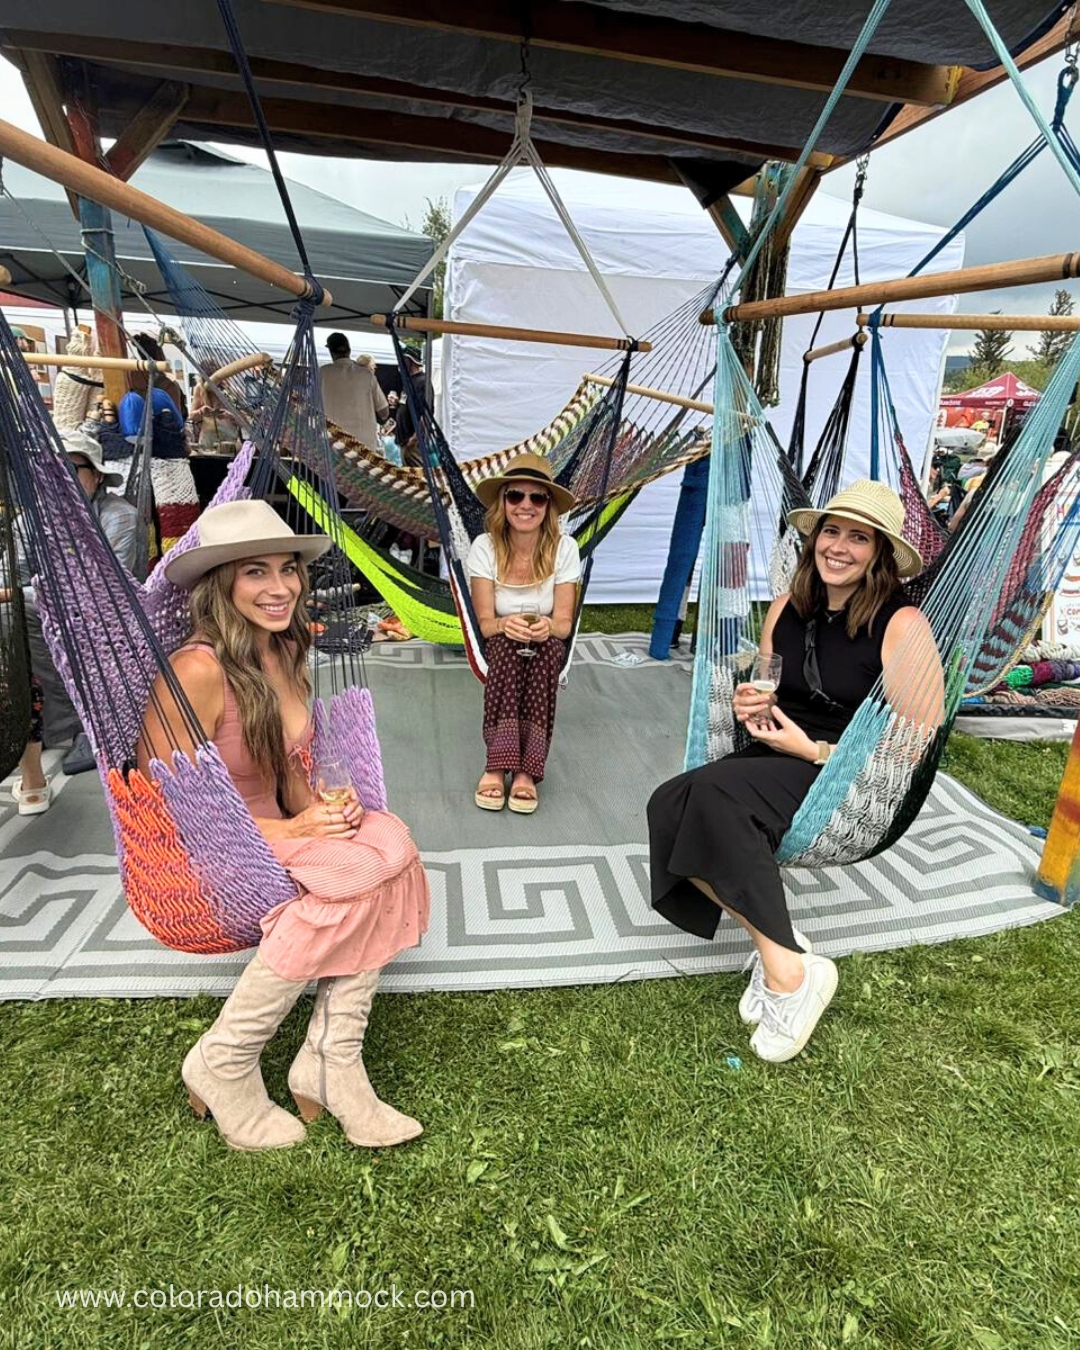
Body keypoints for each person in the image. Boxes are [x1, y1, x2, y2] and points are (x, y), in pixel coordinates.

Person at [139, 499, 430, 1152]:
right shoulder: (197, 670)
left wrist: (318, 807)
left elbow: (282, 762)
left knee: (395, 846)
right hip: (213, 848)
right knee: (353, 885)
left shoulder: (282, 646)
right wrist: (294, 833)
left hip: (277, 831)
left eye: (288, 569)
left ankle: (332, 1060)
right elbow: (166, 807)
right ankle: (225, 1059)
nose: (281, 588)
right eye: (256, 572)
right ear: (222, 584)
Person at [647, 480, 943, 1064]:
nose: (839, 547)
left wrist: (815, 752)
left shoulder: (901, 624)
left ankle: (789, 978)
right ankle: (784, 948)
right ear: (813, 540)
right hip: (776, 754)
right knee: (669, 804)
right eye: (831, 531)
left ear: (881, 554)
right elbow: (772, 688)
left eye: (859, 538)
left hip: (839, 777)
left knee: (713, 799)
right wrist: (751, 704)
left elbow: (915, 743)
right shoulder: (787, 607)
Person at [5, 430, 140, 810]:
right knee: (10, 617)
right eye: (52, 469)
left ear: (95, 476)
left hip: (107, 614)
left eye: (72, 468)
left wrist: (34, 591)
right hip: (48, 613)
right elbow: (11, 577)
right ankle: (48, 726)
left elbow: (108, 584)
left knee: (22, 609)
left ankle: (71, 725)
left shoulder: (118, 516)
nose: (60, 477)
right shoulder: (30, 522)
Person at [467, 453, 581, 814]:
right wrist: (505, 625)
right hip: (501, 636)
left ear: (549, 506)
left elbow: (563, 624)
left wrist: (548, 627)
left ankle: (526, 771)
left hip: (545, 637)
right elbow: (485, 623)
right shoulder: (484, 547)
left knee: (546, 657)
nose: (526, 505)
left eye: (538, 497)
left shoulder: (565, 549)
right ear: (503, 502)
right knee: (505, 653)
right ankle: (497, 764)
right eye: (515, 495)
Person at [319, 333, 389, 451]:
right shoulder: (367, 375)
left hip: (332, 444)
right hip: (364, 447)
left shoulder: (321, 373)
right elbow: (384, 412)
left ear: (331, 352)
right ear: (349, 350)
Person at [188, 381, 240, 455]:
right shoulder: (200, 387)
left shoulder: (230, 387)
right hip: (209, 441)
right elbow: (192, 416)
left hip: (230, 440)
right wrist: (201, 411)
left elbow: (243, 420)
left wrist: (230, 416)